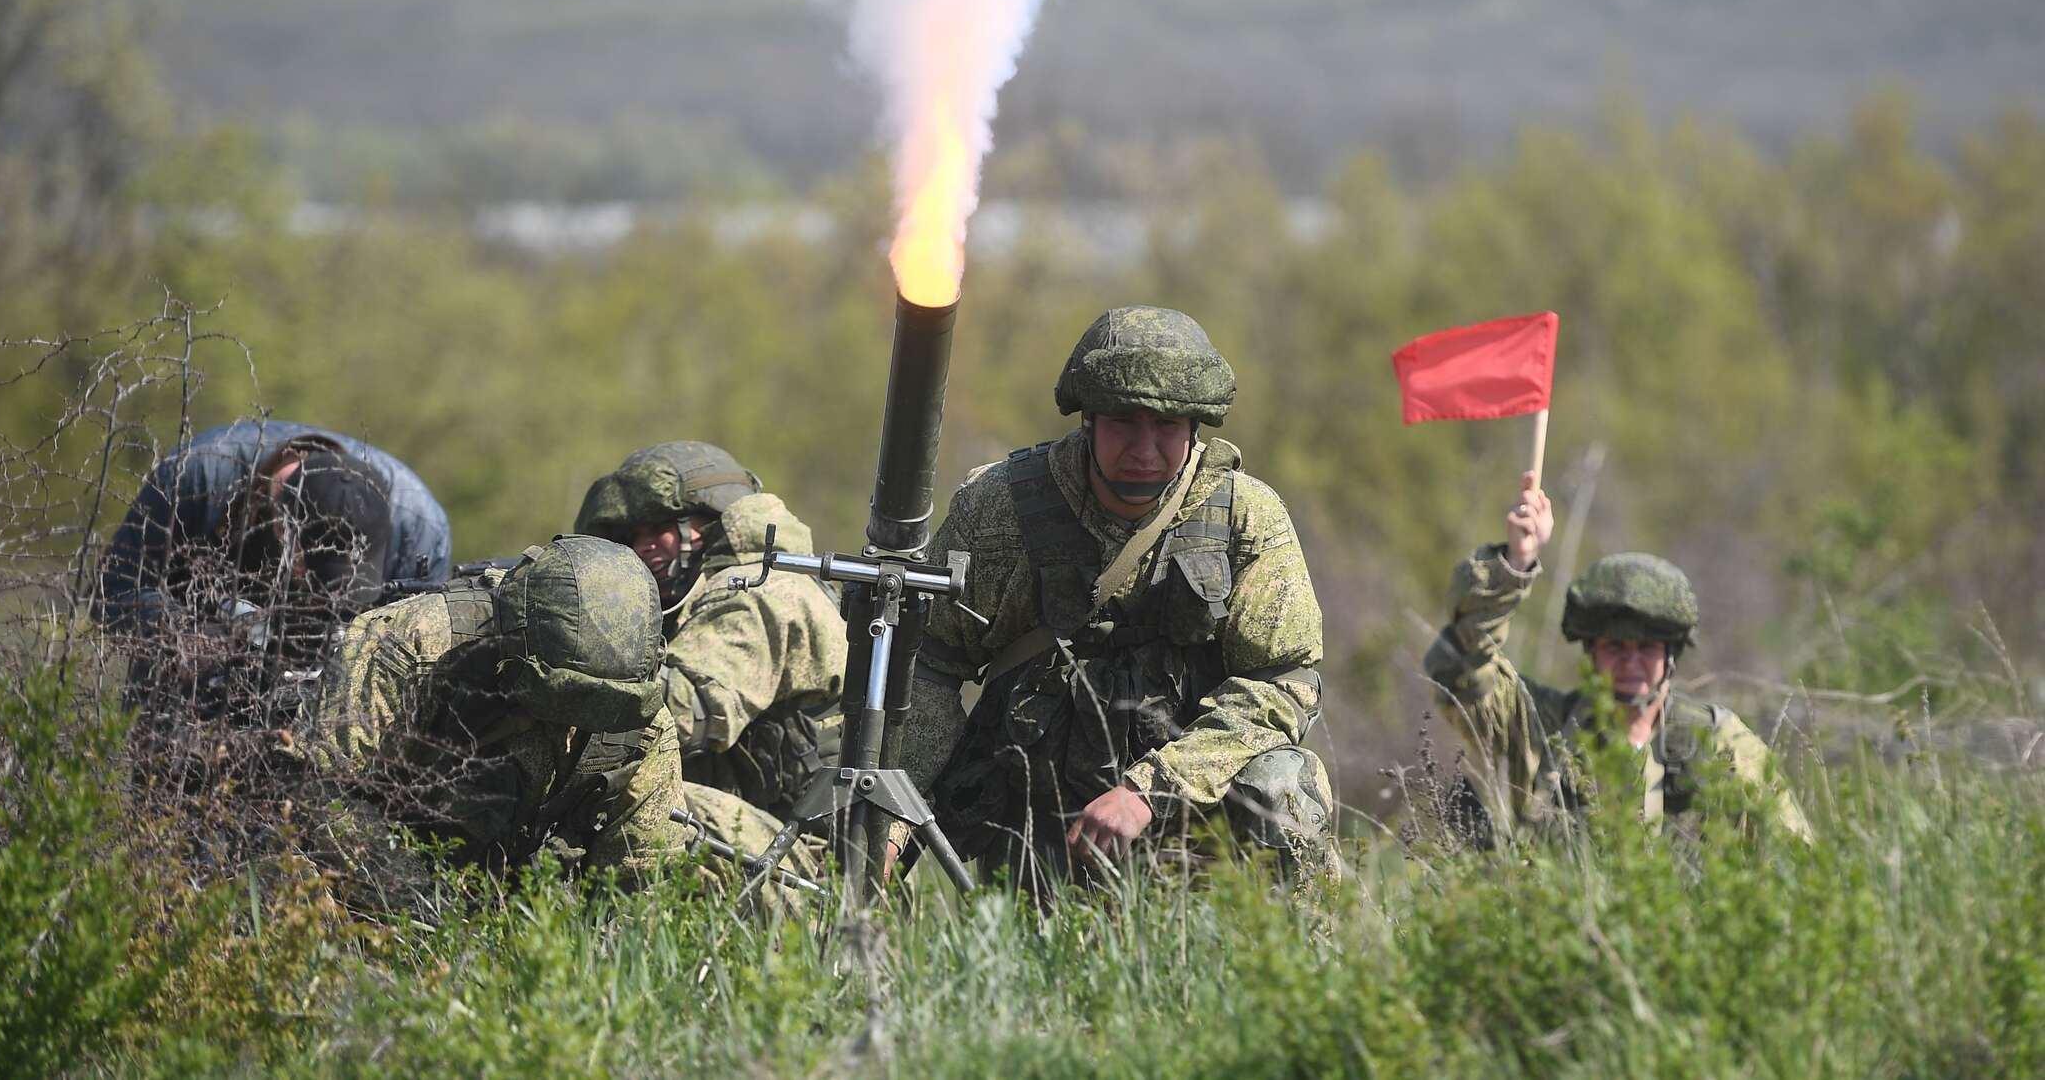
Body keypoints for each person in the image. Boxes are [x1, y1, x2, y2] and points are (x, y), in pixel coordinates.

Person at [894, 306, 1335, 894]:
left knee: (1284, 783)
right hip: (1036, 818)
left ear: (1195, 426)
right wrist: (895, 810)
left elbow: (1282, 685)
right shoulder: (997, 509)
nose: (1145, 447)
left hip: (1194, 815)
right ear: (1088, 420)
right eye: (1125, 422)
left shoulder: (1246, 517)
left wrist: (1152, 788)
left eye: (1167, 424)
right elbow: (926, 666)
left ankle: (1293, 980)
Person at [291, 535, 691, 900]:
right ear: (514, 639)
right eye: (565, 698)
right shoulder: (415, 643)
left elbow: (640, 886)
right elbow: (323, 792)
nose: (576, 721)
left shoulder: (641, 718)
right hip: (378, 884)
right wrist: (420, 908)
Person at [1424, 471, 1812, 845]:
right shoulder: (1544, 730)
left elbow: (1793, 856)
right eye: (1615, 648)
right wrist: (1515, 564)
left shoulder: (1719, 744)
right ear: (1592, 653)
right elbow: (1461, 669)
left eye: (1646, 649)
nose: (1631, 661)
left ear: (1670, 656)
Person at [97, 419, 452, 721]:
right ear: (284, 532)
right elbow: (113, 592)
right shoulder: (195, 477)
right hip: (187, 705)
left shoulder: (420, 529)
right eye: (315, 577)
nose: (323, 599)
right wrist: (183, 635)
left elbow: (422, 667)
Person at [572, 442, 846, 833]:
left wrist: (567, 676)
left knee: (629, 795)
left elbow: (688, 709)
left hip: (807, 856)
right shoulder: (688, 604)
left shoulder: (762, 592)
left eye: (658, 527)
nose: (642, 546)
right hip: (755, 834)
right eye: (633, 535)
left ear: (710, 523)